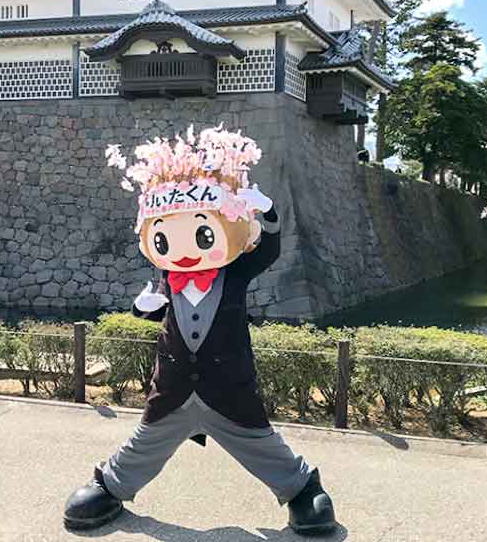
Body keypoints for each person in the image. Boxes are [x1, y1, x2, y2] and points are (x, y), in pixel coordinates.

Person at [63, 127, 336, 535]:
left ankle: (300, 486)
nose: (186, 250)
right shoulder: (165, 275)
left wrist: (269, 212)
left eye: (202, 234)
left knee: (259, 441)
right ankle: (112, 485)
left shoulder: (236, 271)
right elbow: (155, 314)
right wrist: (143, 308)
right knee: (146, 442)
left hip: (228, 385)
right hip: (173, 387)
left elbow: (271, 249)